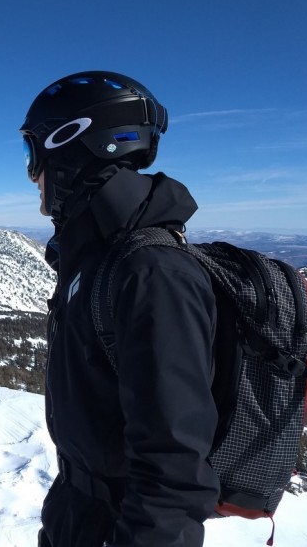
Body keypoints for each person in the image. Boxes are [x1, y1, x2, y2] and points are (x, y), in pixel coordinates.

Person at [20, 71, 220, 547]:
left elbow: (174, 471)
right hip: (78, 513)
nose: (31, 175)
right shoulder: (94, 259)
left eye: (32, 154)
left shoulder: (151, 272)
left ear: (71, 143)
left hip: (118, 527)